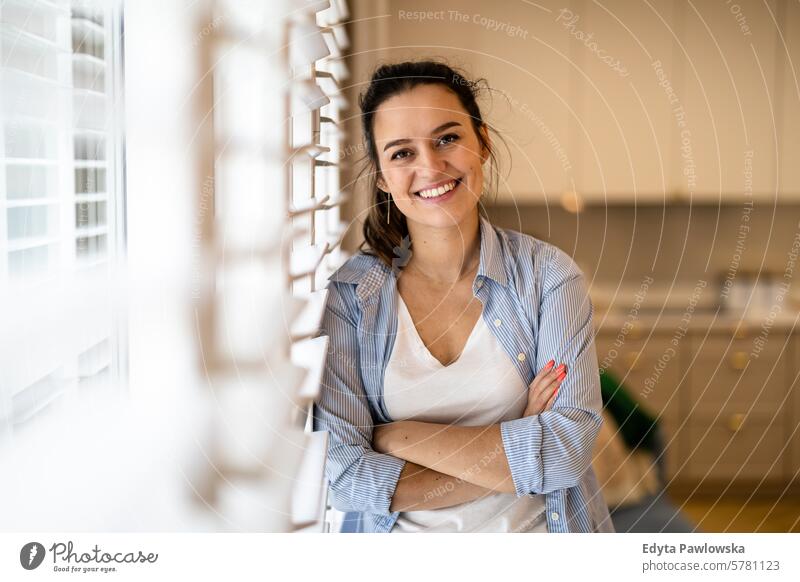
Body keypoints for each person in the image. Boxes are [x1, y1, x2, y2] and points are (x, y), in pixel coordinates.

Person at [313, 60, 613, 533]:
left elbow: (564, 454)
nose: (430, 166)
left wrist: (395, 437)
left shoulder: (549, 278)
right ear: (381, 177)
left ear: (483, 143)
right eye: (401, 153)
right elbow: (347, 480)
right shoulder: (351, 298)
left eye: (447, 138)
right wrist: (516, 441)